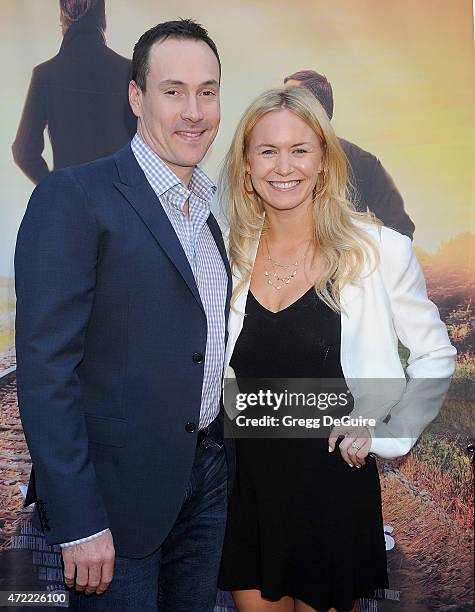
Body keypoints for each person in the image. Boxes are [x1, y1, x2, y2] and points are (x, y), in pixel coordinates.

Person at [15, 19, 232, 611]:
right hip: (115, 505)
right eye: (173, 90)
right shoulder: (74, 196)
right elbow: (45, 370)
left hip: (207, 484)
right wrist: (79, 519)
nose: (194, 110)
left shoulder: (213, 210)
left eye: (207, 91)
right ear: (136, 97)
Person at [217, 87, 456, 611]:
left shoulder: (379, 252)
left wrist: (385, 430)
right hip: (248, 489)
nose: (285, 166)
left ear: (324, 161)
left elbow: (436, 355)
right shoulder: (226, 253)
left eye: (300, 149)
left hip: (331, 487)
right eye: (268, 150)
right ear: (246, 164)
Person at [12, 0, 136, 185]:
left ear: (63, 16)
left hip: (72, 207)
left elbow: (23, 153)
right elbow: (150, 144)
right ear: (102, 17)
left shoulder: (45, 75)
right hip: (120, 202)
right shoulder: (129, 71)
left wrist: (57, 190)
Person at [284, 70, 415, 239]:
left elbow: (400, 229)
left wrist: (362, 257)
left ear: (318, 109)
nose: (279, 105)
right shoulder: (265, 158)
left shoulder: (363, 163)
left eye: (289, 99)